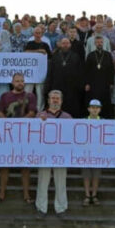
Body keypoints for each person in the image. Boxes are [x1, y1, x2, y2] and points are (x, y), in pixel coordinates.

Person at [0, 73, 37, 203]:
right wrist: (8, 123)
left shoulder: (30, 96)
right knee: (5, 165)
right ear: (12, 82)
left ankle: (26, 195)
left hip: (24, 135)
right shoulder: (5, 96)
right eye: (17, 81)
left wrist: (19, 123)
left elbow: (32, 113)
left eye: (22, 81)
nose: (20, 83)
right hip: (7, 134)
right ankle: (1, 194)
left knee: (25, 166)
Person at [35, 90, 72, 218]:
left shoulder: (67, 117)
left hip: (61, 154)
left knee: (61, 181)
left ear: (61, 101)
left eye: (57, 98)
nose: (55, 100)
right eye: (53, 98)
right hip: (44, 153)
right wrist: (40, 122)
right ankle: (41, 207)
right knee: (43, 180)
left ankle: (61, 208)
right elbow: (34, 134)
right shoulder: (40, 115)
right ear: (48, 100)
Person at [44, 38, 84, 118]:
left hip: (72, 87)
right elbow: (50, 72)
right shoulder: (55, 56)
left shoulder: (75, 56)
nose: (65, 45)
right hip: (57, 85)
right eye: (63, 43)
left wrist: (80, 85)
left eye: (67, 43)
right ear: (60, 45)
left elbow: (80, 72)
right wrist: (47, 86)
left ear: (70, 45)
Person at [85, 36, 115, 118]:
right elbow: (86, 70)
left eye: (101, 42)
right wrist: (87, 83)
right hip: (93, 82)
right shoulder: (90, 55)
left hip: (105, 82)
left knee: (105, 101)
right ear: (95, 43)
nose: (99, 44)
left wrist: (111, 82)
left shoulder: (108, 55)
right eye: (98, 42)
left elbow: (111, 69)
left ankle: (105, 117)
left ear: (103, 43)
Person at [24, 26, 52, 111]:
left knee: (40, 93)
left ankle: (40, 110)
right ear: (33, 34)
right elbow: (26, 52)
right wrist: (39, 51)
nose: (38, 35)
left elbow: (50, 57)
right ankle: (25, 108)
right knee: (27, 91)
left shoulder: (45, 45)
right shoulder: (30, 43)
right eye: (36, 33)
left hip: (40, 72)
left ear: (42, 34)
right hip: (30, 73)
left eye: (39, 33)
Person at [82, 99, 103, 206]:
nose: (94, 110)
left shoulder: (104, 122)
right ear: (89, 109)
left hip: (98, 153)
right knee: (86, 175)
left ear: (100, 109)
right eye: (93, 107)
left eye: (97, 108)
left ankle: (94, 195)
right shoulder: (83, 121)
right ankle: (87, 195)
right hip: (86, 152)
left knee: (96, 175)